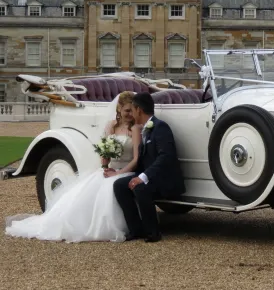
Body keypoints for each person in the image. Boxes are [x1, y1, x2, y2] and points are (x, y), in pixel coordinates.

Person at [5, 92, 142, 243]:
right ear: (119, 109)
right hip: (110, 169)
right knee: (85, 192)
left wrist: (118, 173)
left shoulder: (135, 129)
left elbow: (136, 159)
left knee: (109, 188)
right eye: (127, 110)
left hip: (125, 170)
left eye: (132, 110)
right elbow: (105, 151)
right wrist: (104, 167)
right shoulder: (111, 125)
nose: (130, 114)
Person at [114, 92, 185, 243]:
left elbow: (166, 157)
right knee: (119, 185)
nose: (131, 113)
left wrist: (142, 177)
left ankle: (153, 232)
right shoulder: (143, 128)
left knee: (140, 187)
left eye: (132, 109)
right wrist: (123, 173)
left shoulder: (160, 127)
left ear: (138, 109)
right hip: (149, 178)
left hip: (164, 180)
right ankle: (136, 229)